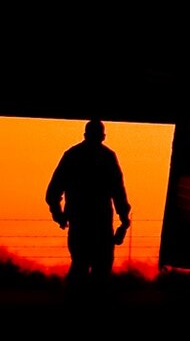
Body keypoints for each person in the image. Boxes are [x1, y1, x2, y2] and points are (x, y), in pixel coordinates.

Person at [46, 119, 131, 287]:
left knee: (80, 265)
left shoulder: (72, 155)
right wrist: (124, 219)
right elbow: (118, 190)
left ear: (85, 135)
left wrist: (59, 215)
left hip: (80, 222)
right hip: (101, 224)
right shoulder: (107, 157)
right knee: (101, 269)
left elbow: (53, 191)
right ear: (103, 136)